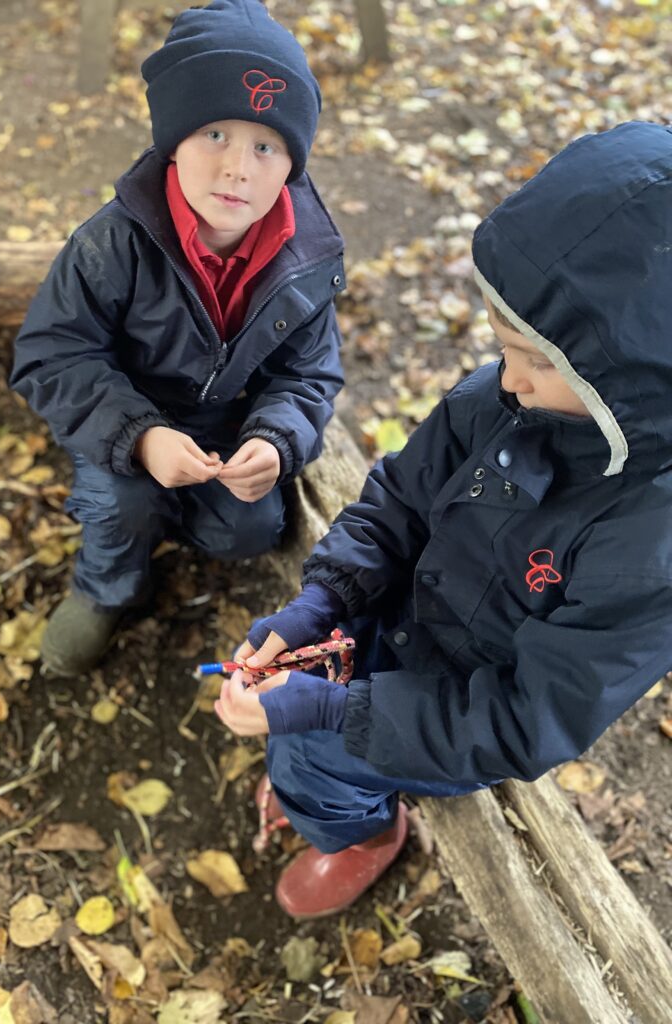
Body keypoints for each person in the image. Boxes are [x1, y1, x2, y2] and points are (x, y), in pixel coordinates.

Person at [215, 121, 672, 919]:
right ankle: (320, 768)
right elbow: (399, 499)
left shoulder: (648, 546)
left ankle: (359, 833)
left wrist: (328, 713)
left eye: (539, 364)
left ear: (634, 385)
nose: (511, 381)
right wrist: (325, 601)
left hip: (465, 711)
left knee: (311, 753)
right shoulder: (498, 394)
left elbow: (528, 719)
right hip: (399, 617)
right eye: (504, 348)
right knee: (301, 713)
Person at [10, 0, 345, 676]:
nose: (238, 168)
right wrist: (140, 436)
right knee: (122, 498)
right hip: (124, 414)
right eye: (214, 134)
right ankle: (106, 588)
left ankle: (173, 516)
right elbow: (53, 353)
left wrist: (273, 439)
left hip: (223, 424)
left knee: (250, 529)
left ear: (292, 163)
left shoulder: (306, 258)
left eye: (265, 145)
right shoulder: (114, 241)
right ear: (172, 137)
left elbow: (309, 375)